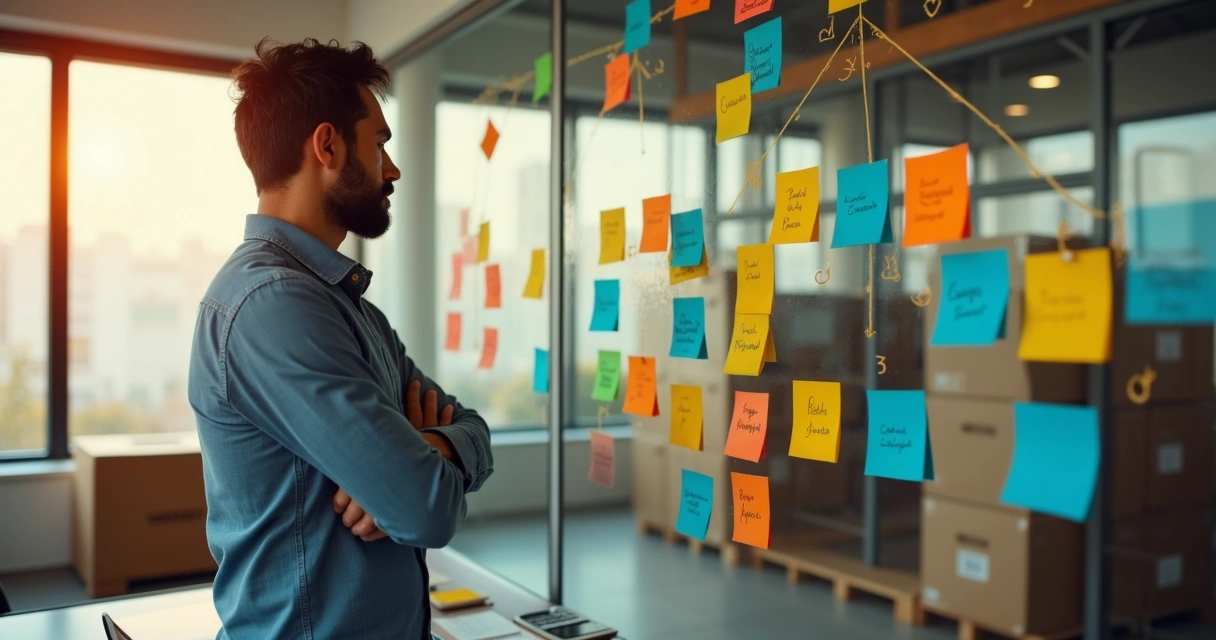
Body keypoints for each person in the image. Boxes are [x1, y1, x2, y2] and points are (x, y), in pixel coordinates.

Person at [188, 38, 493, 640]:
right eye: (379, 143)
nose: (393, 168)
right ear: (327, 145)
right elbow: (424, 510)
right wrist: (409, 474)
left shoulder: (349, 308)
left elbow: (473, 428)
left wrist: (439, 445)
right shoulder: (273, 306)